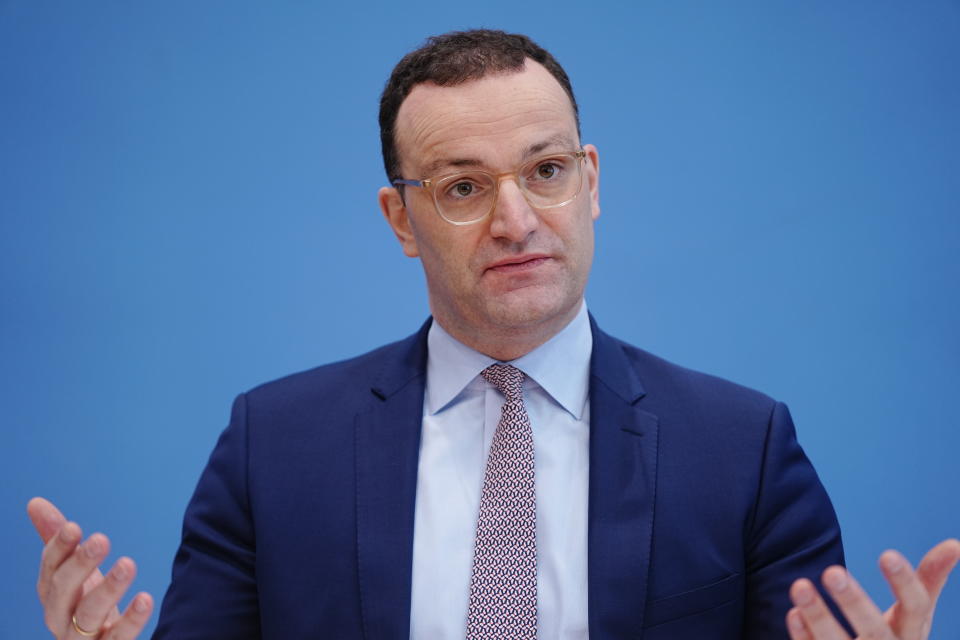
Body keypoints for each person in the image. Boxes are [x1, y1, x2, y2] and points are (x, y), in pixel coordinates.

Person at [28, 29, 958, 640]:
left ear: (590, 182)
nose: (516, 219)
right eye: (464, 187)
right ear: (400, 219)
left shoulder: (743, 448)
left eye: (545, 170)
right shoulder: (272, 445)